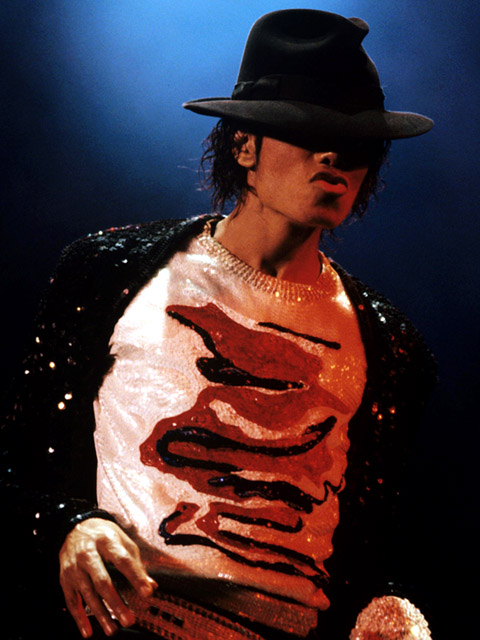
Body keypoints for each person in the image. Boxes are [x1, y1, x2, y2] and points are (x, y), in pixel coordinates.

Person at [1, 9, 437, 640]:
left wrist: (390, 607)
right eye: (309, 128)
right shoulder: (110, 274)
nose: (335, 154)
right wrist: (68, 526)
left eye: (360, 141)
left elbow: (380, 548)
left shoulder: (392, 348)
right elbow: (15, 468)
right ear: (243, 144)